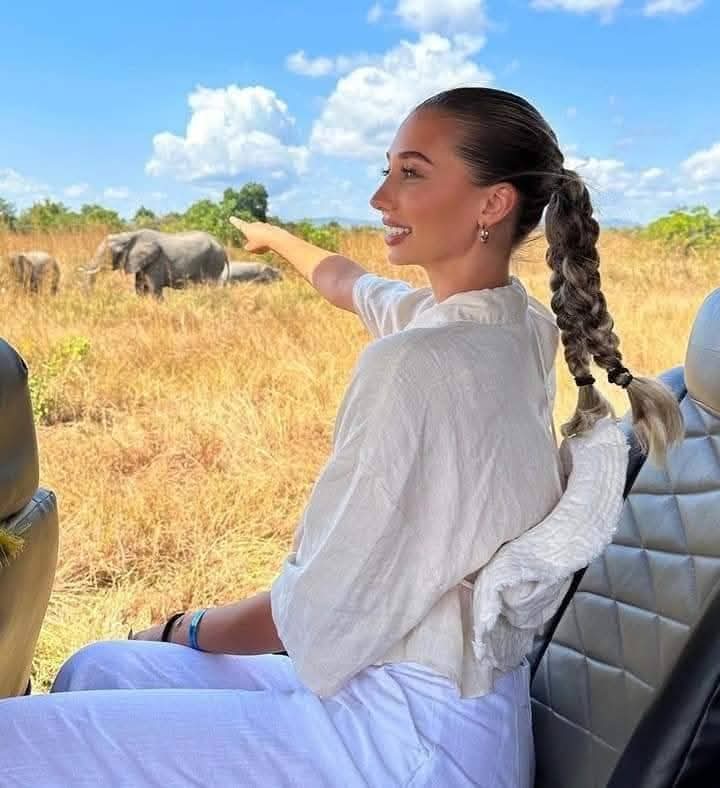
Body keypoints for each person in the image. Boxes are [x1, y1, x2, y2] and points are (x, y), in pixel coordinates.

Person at [0, 87, 683, 787]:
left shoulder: (416, 365)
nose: (380, 196)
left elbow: (317, 614)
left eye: (411, 173)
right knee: (96, 668)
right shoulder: (514, 324)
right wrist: (274, 240)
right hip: (455, 708)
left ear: (491, 204)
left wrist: (182, 627)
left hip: (400, 740)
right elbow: (350, 284)